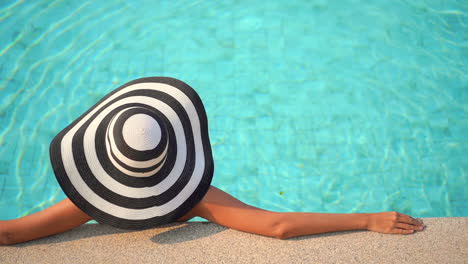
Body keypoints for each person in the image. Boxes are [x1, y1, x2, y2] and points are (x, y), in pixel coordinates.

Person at [0, 77, 425, 245]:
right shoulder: (196, 200)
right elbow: (278, 226)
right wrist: (367, 219)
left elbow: (11, 233)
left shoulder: (86, 203)